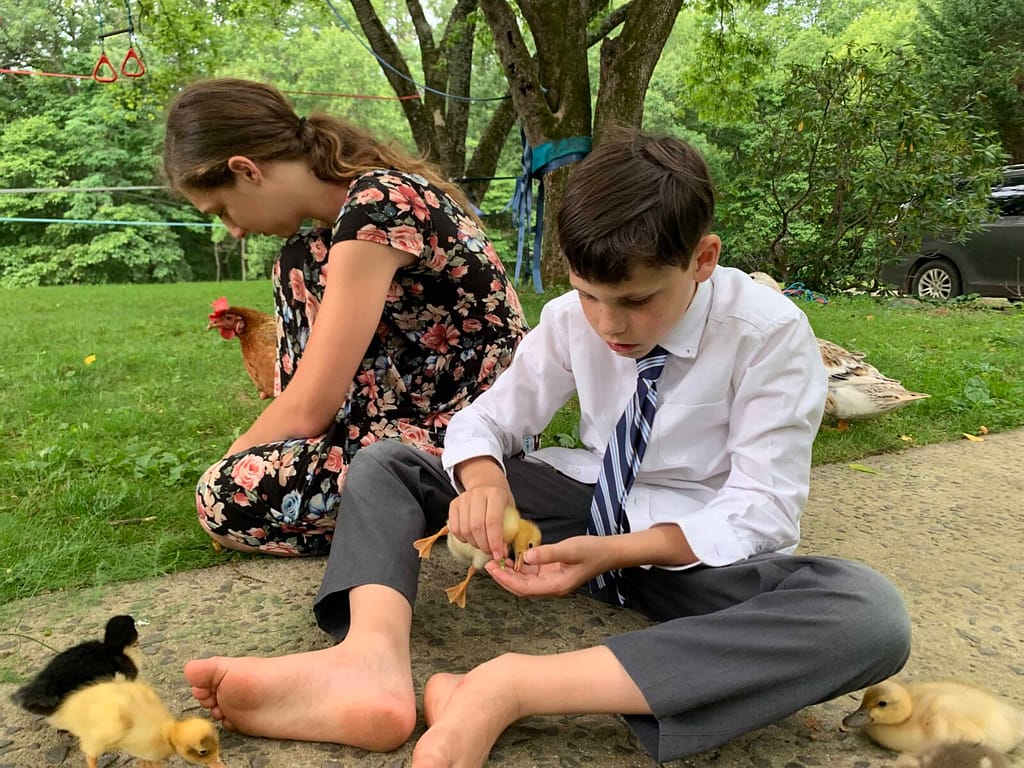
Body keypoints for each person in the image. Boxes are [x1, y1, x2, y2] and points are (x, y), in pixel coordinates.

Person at [182, 131, 912, 765]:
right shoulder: (570, 320)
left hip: (689, 549)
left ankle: (508, 688)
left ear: (703, 259)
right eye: (589, 294)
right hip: (576, 510)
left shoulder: (769, 335)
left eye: (637, 300)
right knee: (389, 464)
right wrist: (484, 482)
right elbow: (486, 421)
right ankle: (367, 663)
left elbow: (762, 510)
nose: (610, 325)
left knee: (867, 616)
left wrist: (614, 553)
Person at [163, 78, 528, 556]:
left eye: (222, 210)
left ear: (246, 170)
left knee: (221, 497)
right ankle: (406, 503)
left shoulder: (376, 207)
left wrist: (232, 461)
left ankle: (431, 501)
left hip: (473, 436)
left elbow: (307, 409)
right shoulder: (335, 230)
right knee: (298, 260)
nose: (233, 230)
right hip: (414, 411)